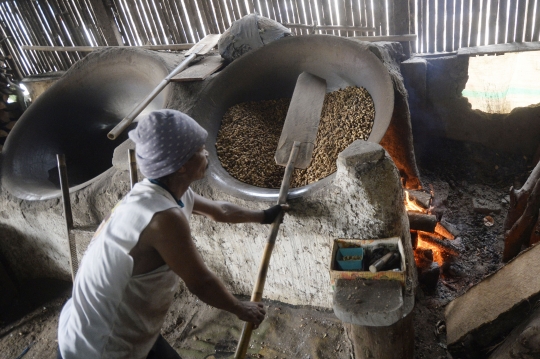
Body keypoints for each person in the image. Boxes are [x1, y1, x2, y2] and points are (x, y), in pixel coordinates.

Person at [57, 109, 286, 359]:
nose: (207, 152)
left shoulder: (162, 190)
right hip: (101, 346)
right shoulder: (163, 218)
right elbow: (201, 283)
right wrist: (241, 308)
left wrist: (265, 215)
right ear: (181, 167)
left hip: (111, 322)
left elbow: (219, 211)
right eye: (200, 149)